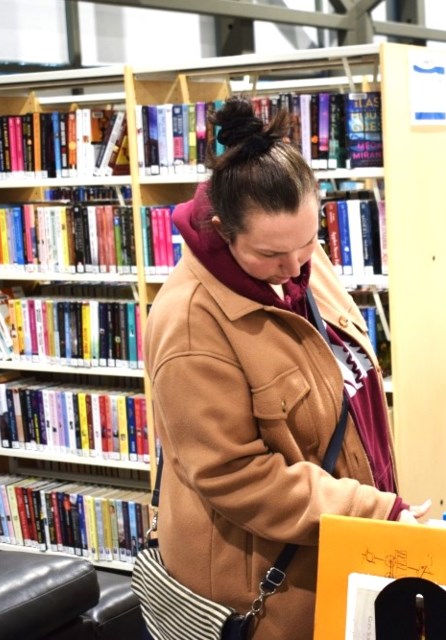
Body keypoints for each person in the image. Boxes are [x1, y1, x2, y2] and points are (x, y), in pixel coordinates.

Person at [143, 97, 428, 639]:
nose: (295, 267)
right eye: (273, 256)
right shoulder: (189, 323)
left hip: (337, 549)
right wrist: (370, 511)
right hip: (266, 589)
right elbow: (233, 473)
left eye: (309, 241)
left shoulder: (296, 256)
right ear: (224, 231)